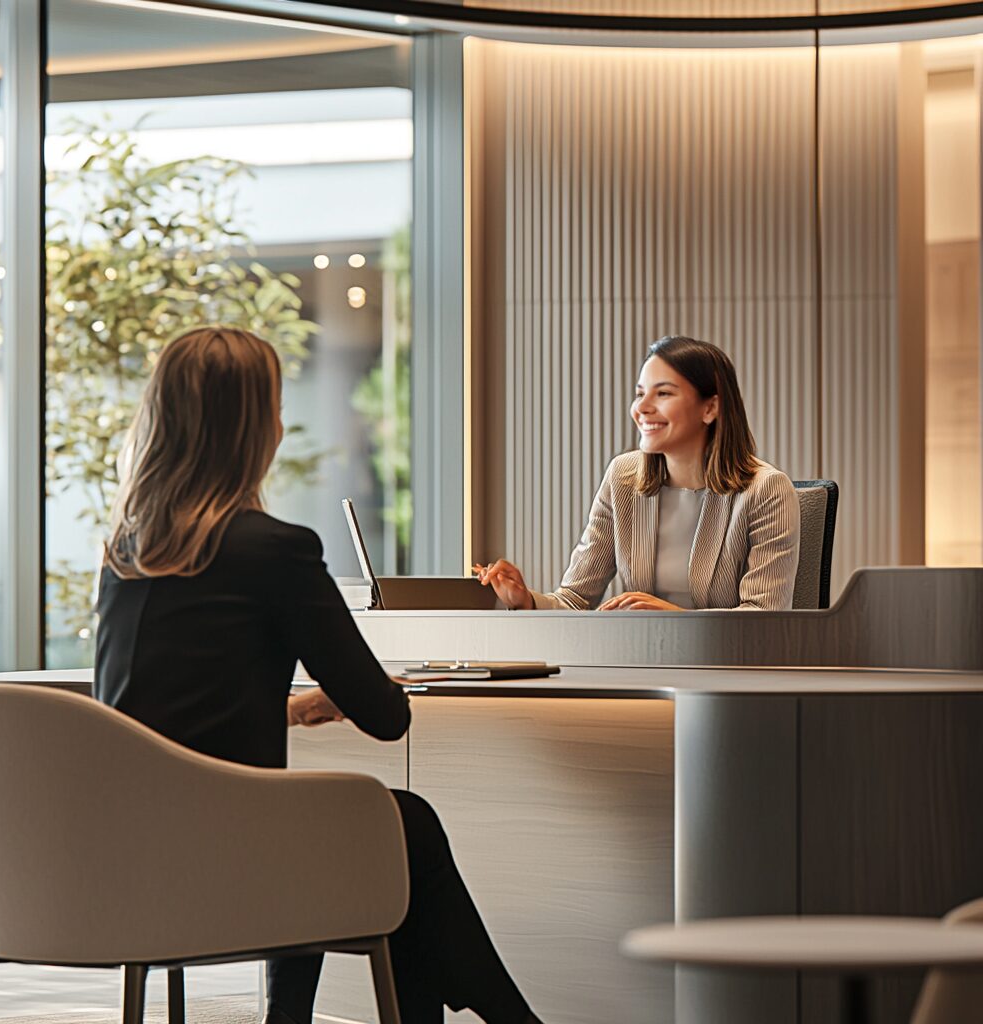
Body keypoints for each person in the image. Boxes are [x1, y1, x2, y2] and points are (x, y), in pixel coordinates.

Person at [93, 326, 543, 1024]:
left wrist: (293, 707)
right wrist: (363, 687)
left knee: (376, 832)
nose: (280, 423)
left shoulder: (124, 551)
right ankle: (501, 1012)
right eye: (273, 407)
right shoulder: (277, 550)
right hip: (233, 857)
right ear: (253, 430)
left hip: (124, 858)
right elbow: (386, 719)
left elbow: (150, 719)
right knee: (398, 823)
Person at [476, 335, 799, 612]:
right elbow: (575, 600)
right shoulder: (623, 477)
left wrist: (673, 619)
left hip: (727, 671)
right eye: (639, 393)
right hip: (641, 662)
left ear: (710, 408)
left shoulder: (766, 490)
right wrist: (526, 600)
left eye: (663, 393)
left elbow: (763, 618)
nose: (641, 408)